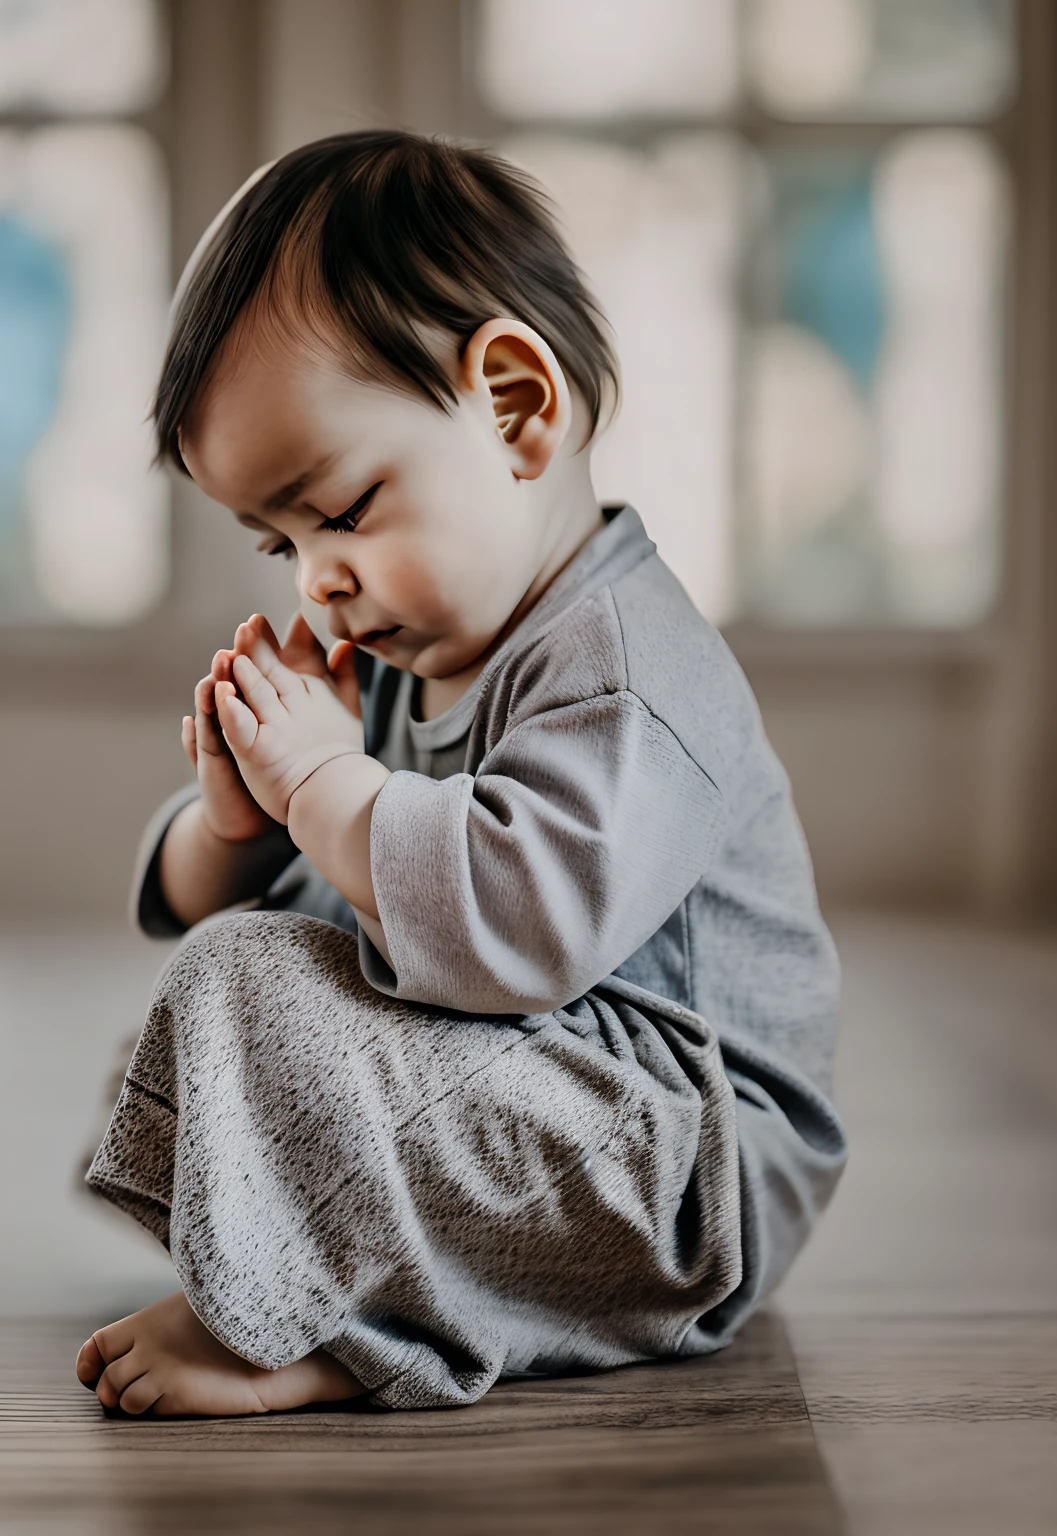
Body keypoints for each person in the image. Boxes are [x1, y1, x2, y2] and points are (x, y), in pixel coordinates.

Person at [75, 130, 846, 1417]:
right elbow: (275, 911)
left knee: (241, 992)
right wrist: (241, 824)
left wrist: (327, 783)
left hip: (684, 1174)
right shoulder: (406, 650)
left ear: (514, 410)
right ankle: (341, 1283)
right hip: (554, 1102)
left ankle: (334, 1327)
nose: (317, 577)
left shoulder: (628, 669)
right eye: (279, 545)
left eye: (343, 509)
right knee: (192, 1029)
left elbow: (514, 932)